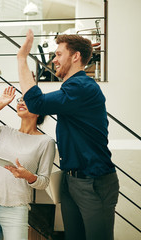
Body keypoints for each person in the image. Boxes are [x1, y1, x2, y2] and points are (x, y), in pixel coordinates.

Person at [17, 29, 119, 240]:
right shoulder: (71, 89)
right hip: (71, 180)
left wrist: (21, 58)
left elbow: (36, 103)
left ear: (76, 56)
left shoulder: (82, 88)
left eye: (58, 54)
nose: (54, 60)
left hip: (93, 182)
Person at [0, 86, 56, 240]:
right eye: (20, 99)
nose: (21, 102)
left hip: (16, 210)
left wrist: (28, 176)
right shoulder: (5, 132)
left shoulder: (46, 142)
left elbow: (44, 182)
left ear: (38, 110)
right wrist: (2, 103)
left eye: (28, 100)